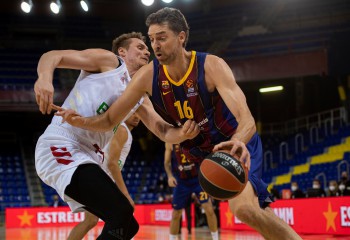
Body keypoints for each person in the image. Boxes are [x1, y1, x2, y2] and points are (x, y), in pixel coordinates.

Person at [53, 8, 302, 240]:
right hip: (196, 154)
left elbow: (247, 119)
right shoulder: (147, 76)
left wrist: (238, 140)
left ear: (181, 37)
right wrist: (81, 120)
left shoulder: (210, 66)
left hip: (231, 145)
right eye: (152, 39)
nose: (155, 45)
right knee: (254, 212)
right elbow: (110, 119)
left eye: (162, 38)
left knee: (245, 209)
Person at [34, 31, 199, 240]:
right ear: (122, 52)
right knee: (120, 212)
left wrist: (183, 133)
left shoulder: (138, 94)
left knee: (128, 225)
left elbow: (163, 130)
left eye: (147, 49)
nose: (146, 51)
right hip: (62, 142)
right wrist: (44, 79)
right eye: (140, 47)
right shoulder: (110, 62)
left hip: (89, 155)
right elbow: (52, 56)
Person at [67, 114, 140, 240]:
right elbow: (112, 164)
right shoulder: (122, 130)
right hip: (100, 178)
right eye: (133, 112)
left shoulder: (122, 129)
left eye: (138, 113)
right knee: (124, 220)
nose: (136, 116)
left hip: (96, 177)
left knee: (91, 221)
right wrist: (125, 195)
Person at [164, 143, 218, 240]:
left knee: (209, 209)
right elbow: (167, 162)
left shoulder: (193, 135)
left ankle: (216, 238)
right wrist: (169, 176)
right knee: (176, 214)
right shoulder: (169, 141)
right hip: (181, 182)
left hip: (198, 180)